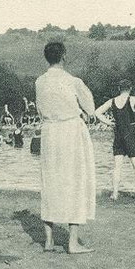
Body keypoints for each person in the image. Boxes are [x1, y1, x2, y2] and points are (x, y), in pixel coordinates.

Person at [35, 41, 96, 254]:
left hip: (50, 133)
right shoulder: (72, 81)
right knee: (74, 182)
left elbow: (40, 108)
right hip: (70, 132)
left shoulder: (39, 82)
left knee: (50, 182)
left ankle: (49, 240)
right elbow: (90, 108)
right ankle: (72, 242)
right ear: (63, 57)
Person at [94, 79, 135, 201]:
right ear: (130, 88)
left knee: (117, 167)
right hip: (131, 135)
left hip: (118, 136)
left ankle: (115, 194)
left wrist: (109, 122)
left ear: (119, 89)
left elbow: (97, 112)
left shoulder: (112, 101)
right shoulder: (132, 99)